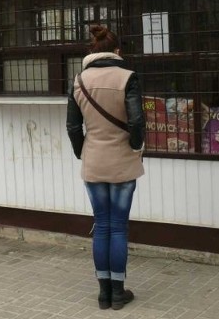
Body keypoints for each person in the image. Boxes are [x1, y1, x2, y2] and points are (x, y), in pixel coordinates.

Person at [66, 24, 145, 311]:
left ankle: (103, 294)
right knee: (118, 227)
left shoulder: (79, 80)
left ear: (92, 51)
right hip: (123, 160)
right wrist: (135, 146)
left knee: (101, 225)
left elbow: (73, 126)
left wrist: (82, 152)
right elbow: (136, 121)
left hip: (94, 160)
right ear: (117, 51)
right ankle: (118, 293)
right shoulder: (129, 78)